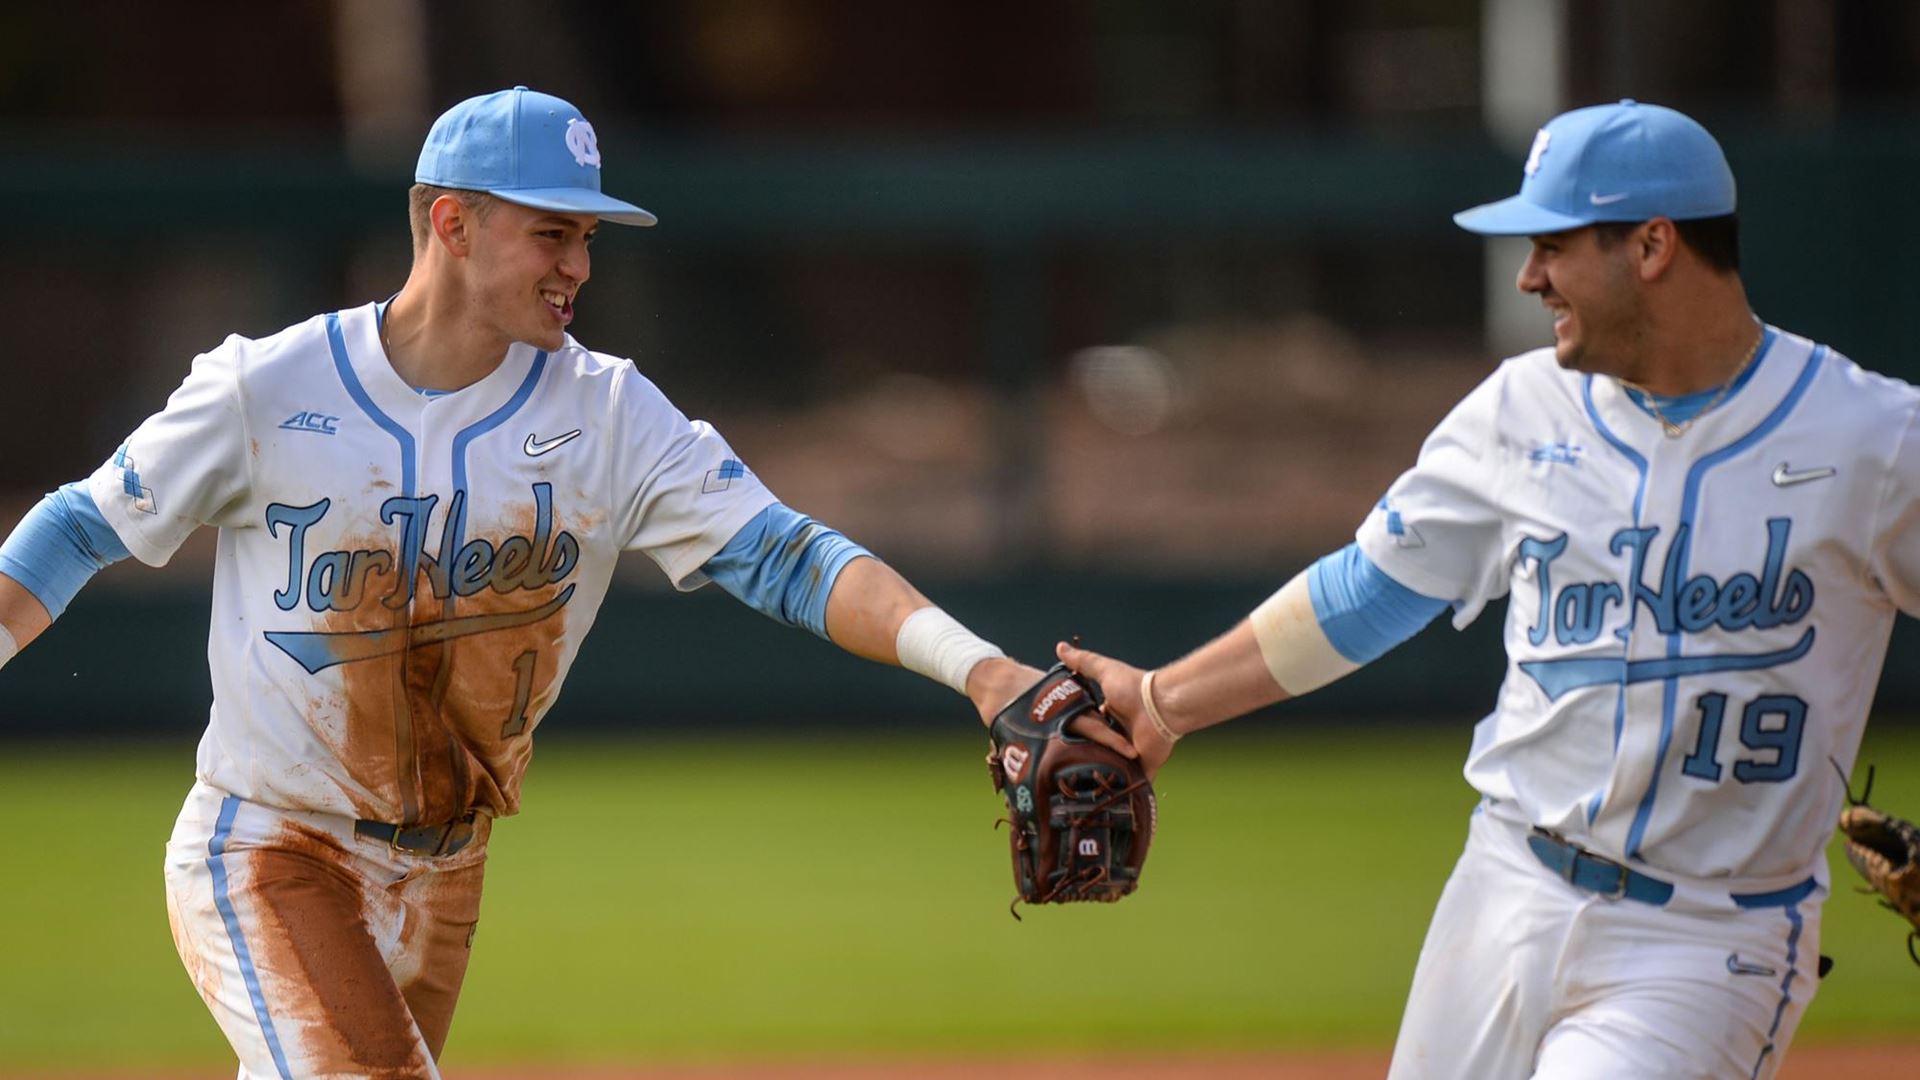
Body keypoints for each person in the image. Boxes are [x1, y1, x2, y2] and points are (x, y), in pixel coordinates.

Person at [0, 86, 1127, 1078]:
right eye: (553, 233)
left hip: (449, 872)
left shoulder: (607, 413)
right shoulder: (266, 387)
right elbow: (78, 528)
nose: (580, 267)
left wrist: (981, 673)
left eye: (587, 237)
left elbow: (788, 555)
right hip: (275, 848)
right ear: (452, 222)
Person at [1062, 99, 1920, 1079]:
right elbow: (1368, 592)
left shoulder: (1870, 441)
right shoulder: (1517, 411)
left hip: (1706, 941)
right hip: (1504, 887)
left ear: (1651, 245)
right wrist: (1164, 702)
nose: (1529, 275)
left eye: (1553, 244)